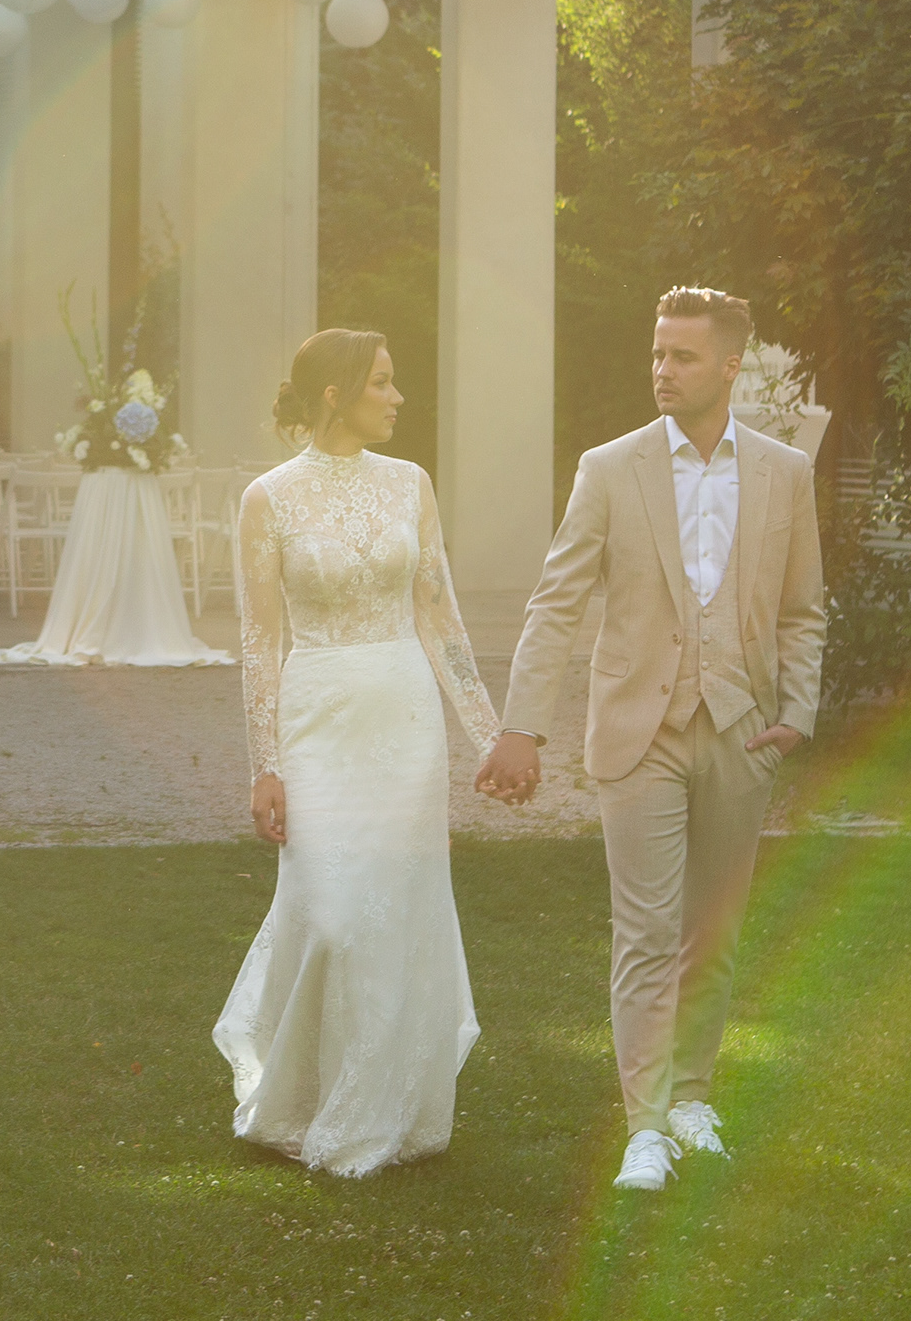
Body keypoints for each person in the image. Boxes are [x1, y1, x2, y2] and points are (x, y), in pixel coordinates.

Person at [477, 286, 826, 1193]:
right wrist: (521, 726)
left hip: (743, 730)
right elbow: (556, 604)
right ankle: (645, 1124)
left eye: (682, 356)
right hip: (639, 730)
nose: (662, 371)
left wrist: (798, 709)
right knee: (645, 930)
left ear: (730, 367)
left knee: (714, 929)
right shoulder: (609, 468)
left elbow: (802, 608)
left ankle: (693, 1096)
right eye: (658, 353)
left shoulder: (785, 472)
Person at [211, 328, 500, 1175]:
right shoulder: (268, 498)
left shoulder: (411, 484)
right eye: (382, 382)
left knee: (396, 913)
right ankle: (305, 1095)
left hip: (404, 718)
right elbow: (259, 642)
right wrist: (264, 764)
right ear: (334, 394)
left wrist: (490, 734)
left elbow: (440, 616)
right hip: (318, 716)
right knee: (333, 915)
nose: (398, 397)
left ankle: (382, 1111)